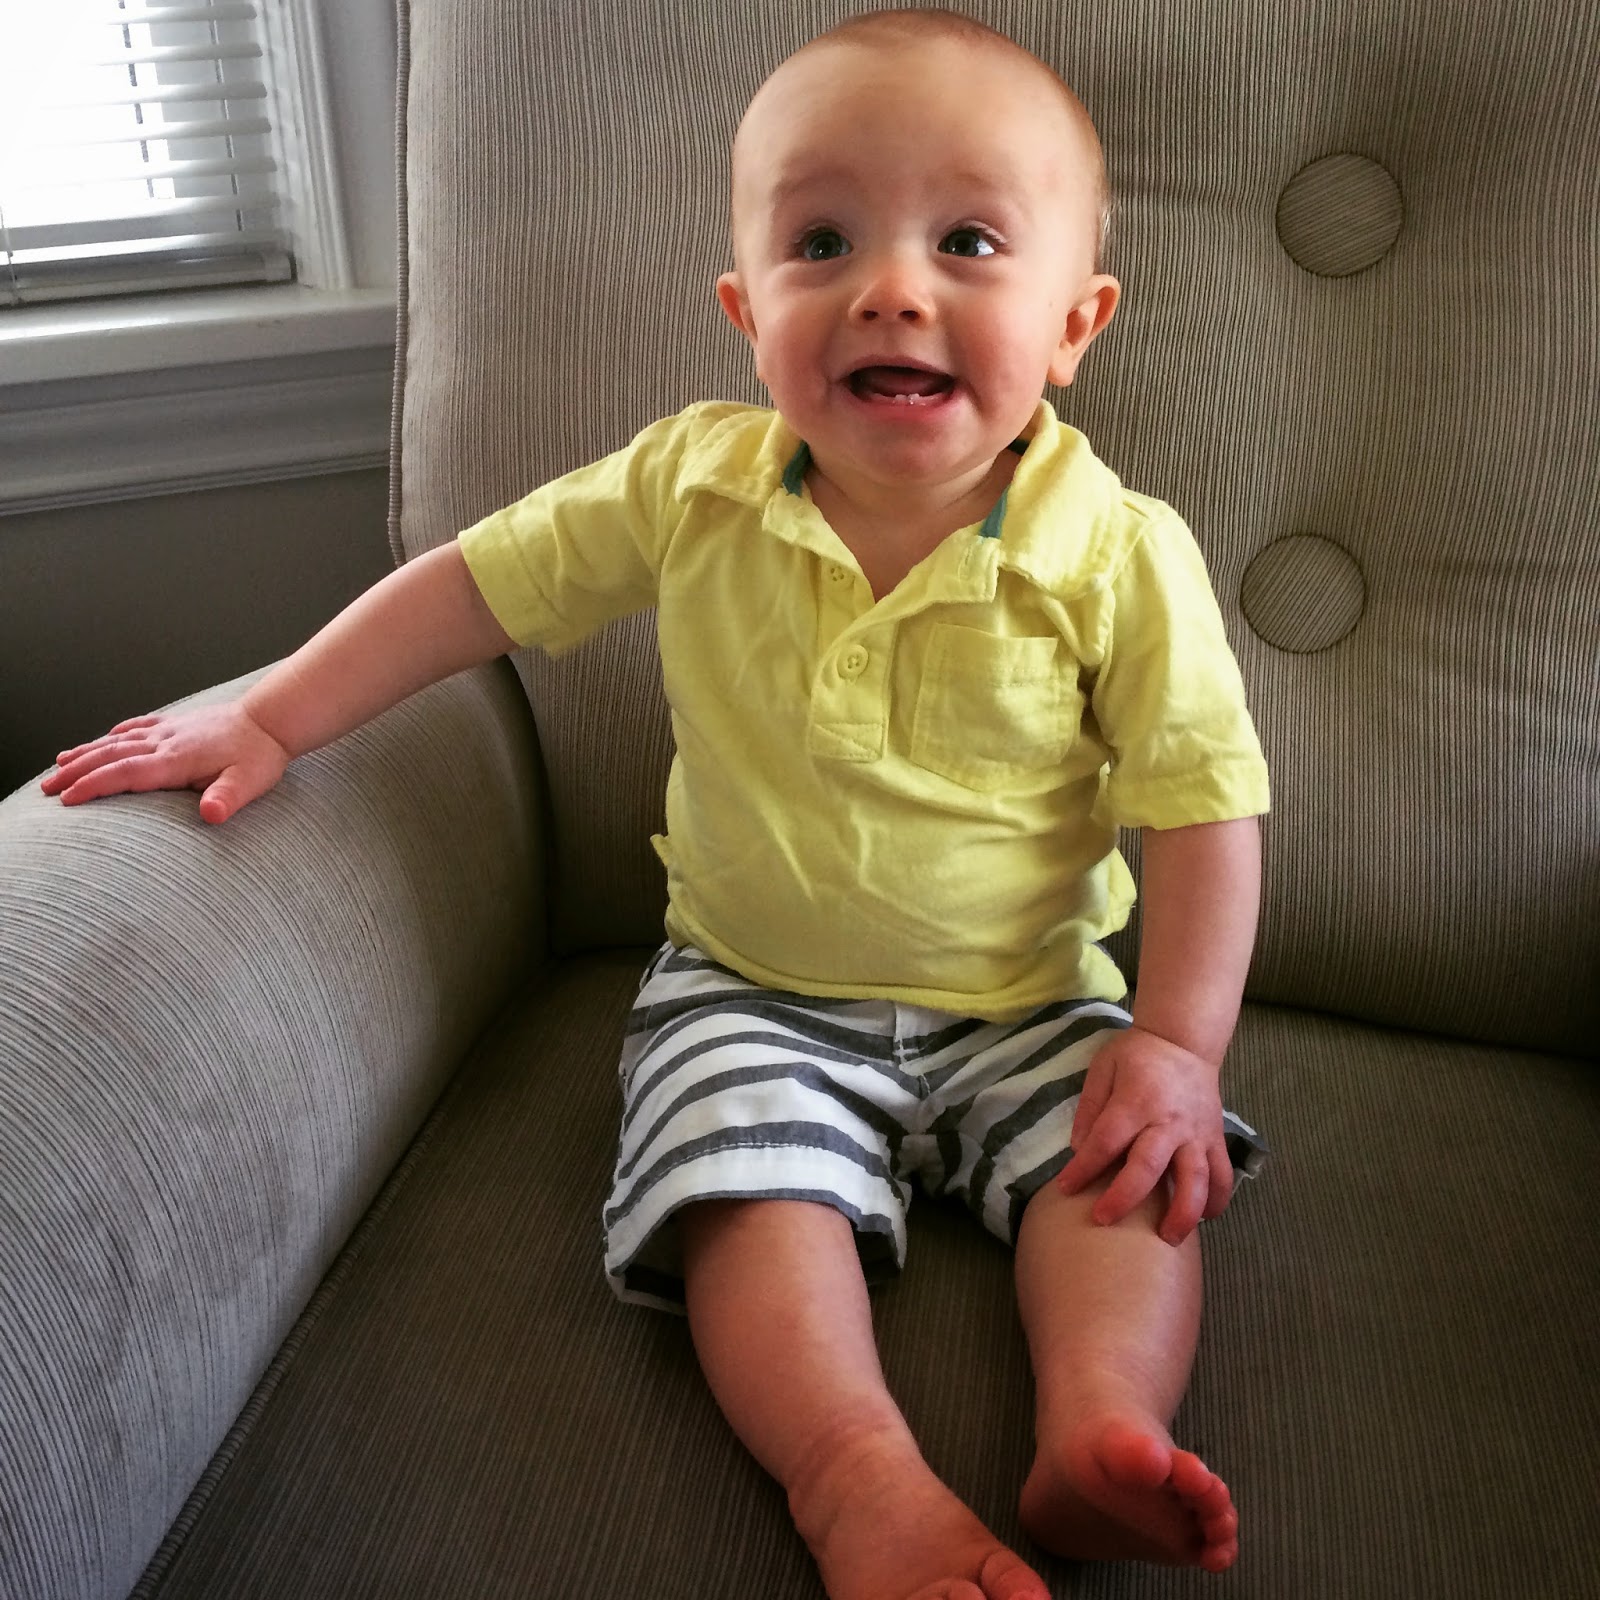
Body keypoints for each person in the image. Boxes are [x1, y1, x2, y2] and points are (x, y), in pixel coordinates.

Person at [43, 10, 1270, 1597]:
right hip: (752, 991)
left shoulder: (1117, 552)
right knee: (738, 1185)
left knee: (1131, 1187)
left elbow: (1203, 810)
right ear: (747, 309)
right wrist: (274, 712)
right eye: (822, 242)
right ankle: (855, 1475)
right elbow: (473, 588)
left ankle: (1100, 1423)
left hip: (1031, 998)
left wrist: (1175, 1047)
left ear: (1075, 323)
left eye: (968, 243)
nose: (892, 288)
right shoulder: (691, 486)